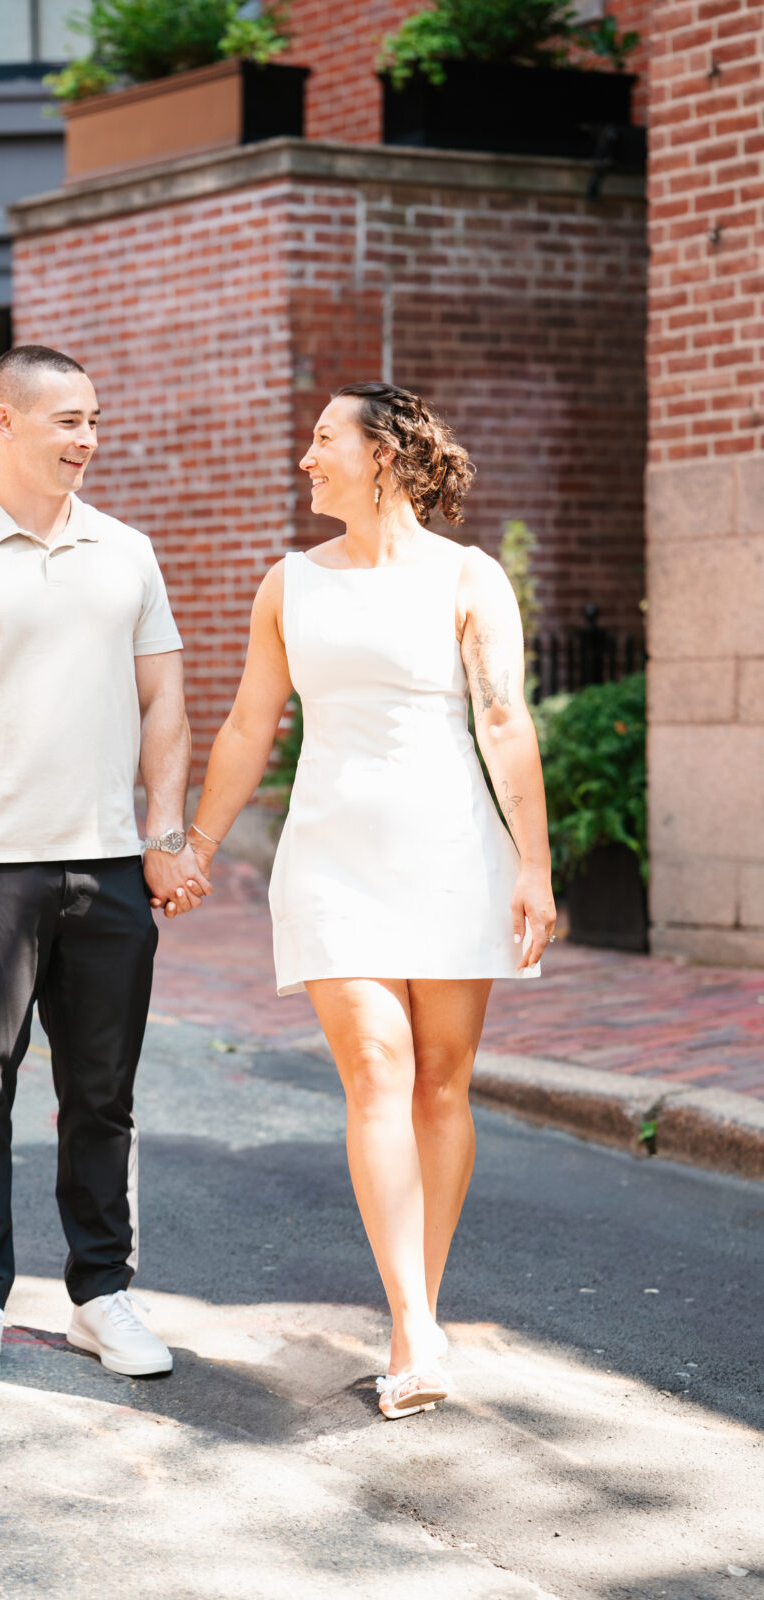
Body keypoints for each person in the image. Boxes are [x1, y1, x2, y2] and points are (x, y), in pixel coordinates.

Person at [182, 382, 555, 1420]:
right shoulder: (288, 584)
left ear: (381, 453)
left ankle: (417, 1304)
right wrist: (193, 845)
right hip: (331, 857)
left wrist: (533, 864)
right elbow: (249, 726)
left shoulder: (468, 579)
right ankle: (408, 1322)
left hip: (450, 853)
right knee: (377, 1068)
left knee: (441, 1079)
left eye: (320, 440)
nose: (305, 458)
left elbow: (503, 721)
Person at [0, 345, 210, 1388]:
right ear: (4, 423)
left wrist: (164, 834)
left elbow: (163, 701)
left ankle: (99, 1295)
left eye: (94, 419)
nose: (87, 439)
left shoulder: (127, 552)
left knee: (103, 1094)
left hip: (110, 867)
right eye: (66, 419)